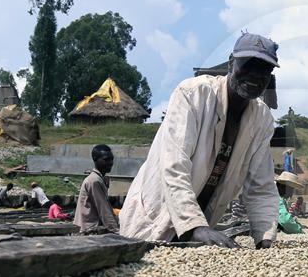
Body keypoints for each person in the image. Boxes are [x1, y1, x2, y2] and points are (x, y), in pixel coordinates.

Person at [119, 33, 280, 247]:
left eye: (264, 70)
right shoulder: (193, 94)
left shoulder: (262, 119)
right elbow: (175, 165)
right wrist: (193, 226)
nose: (255, 75)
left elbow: (261, 187)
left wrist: (265, 239)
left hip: (200, 231)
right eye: (248, 65)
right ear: (232, 64)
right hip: (153, 221)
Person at [75, 145, 119, 233]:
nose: (110, 162)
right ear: (95, 159)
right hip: (89, 231)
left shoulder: (99, 178)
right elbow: (104, 209)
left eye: (111, 159)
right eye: (106, 159)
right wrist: (117, 232)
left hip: (90, 228)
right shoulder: (94, 181)